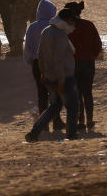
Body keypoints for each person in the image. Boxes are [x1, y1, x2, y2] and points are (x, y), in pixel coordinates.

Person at [26, 8, 81, 142]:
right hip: (63, 77)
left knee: (54, 107)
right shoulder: (60, 35)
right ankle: (72, 134)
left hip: (50, 76)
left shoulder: (46, 31)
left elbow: (40, 55)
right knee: (72, 106)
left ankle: (34, 132)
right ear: (67, 20)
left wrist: (43, 73)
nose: (73, 23)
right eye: (72, 20)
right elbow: (59, 59)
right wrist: (62, 81)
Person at [24, 0, 64, 132]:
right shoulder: (55, 26)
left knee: (41, 94)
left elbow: (28, 48)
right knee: (55, 93)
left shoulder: (32, 27)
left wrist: (30, 61)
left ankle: (44, 124)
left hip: (37, 64)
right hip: (52, 64)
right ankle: (57, 121)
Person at [63, 1, 103, 132]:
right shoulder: (89, 25)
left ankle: (80, 121)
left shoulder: (66, 28)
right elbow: (98, 44)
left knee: (77, 94)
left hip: (73, 63)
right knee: (88, 92)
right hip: (88, 62)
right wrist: (92, 54)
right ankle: (90, 120)